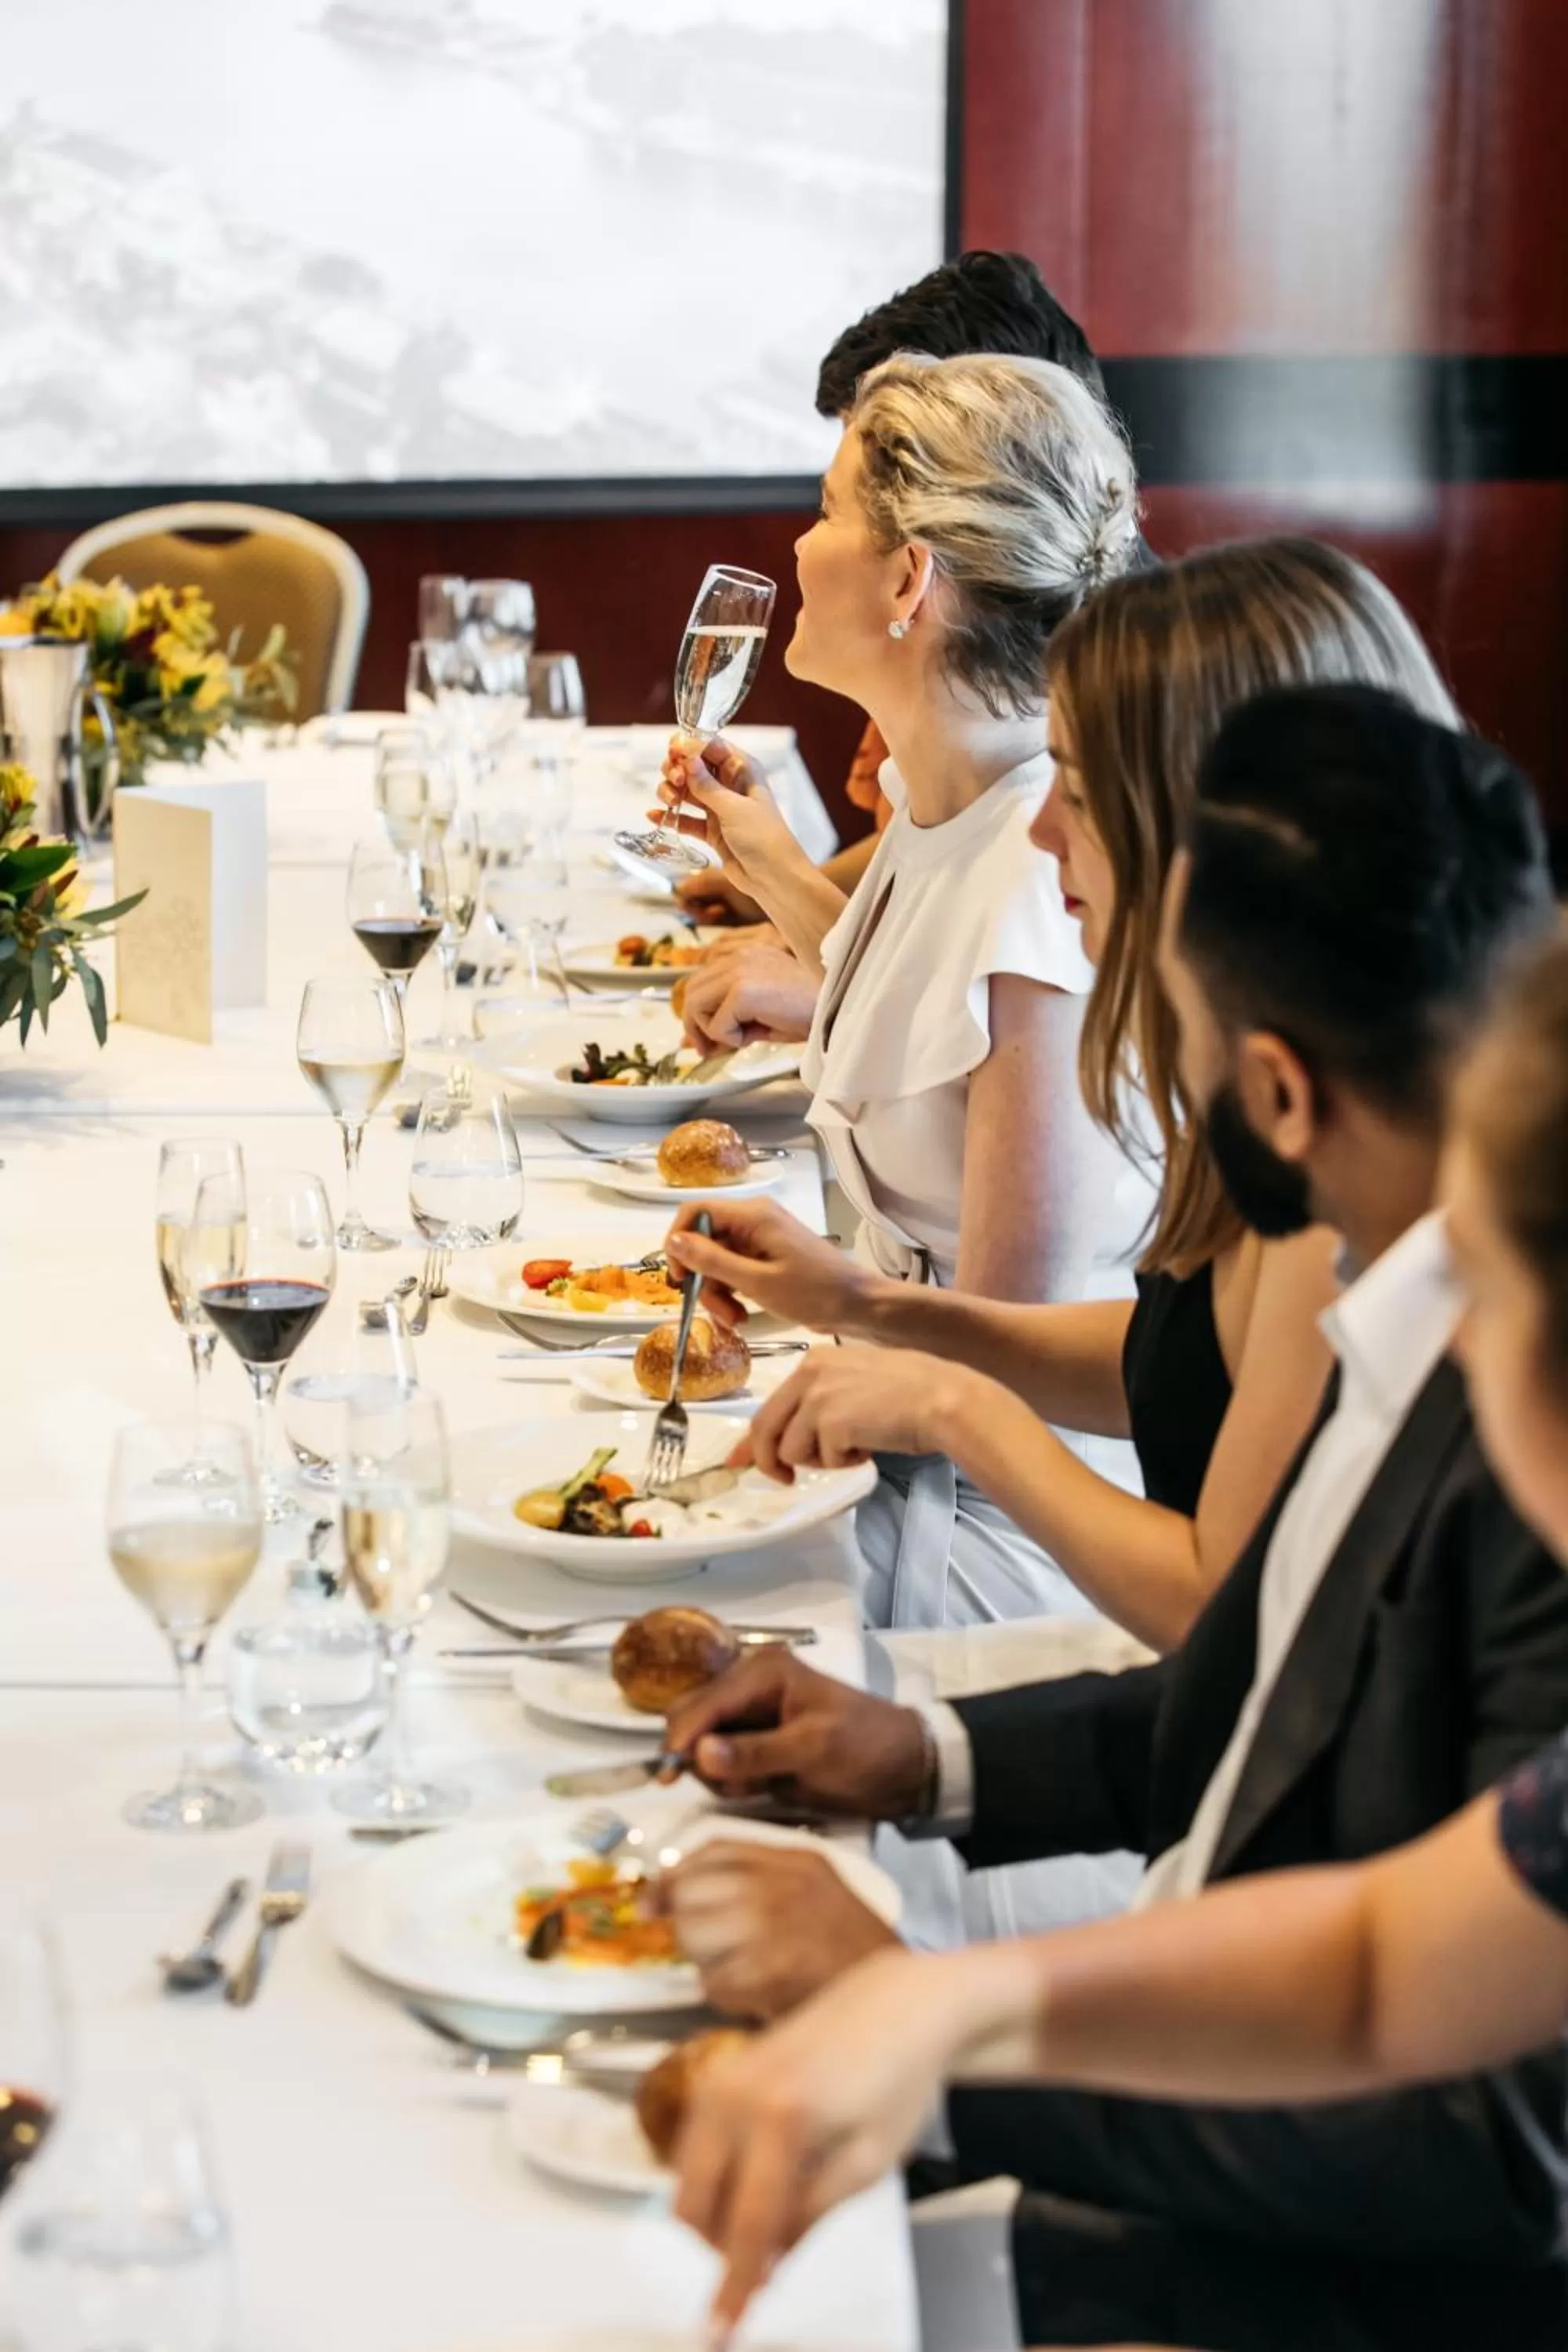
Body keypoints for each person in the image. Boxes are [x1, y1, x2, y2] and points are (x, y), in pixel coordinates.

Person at [661, 688, 1568, 2352]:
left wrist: (941, 2064)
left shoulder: (1493, 1378)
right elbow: (1299, 1748)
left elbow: (1494, 2156)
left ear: (1277, 1094)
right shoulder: (1413, 1289)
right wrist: (919, 1758)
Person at [670, 539, 1468, 1658]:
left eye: (1078, 794)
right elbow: (1176, 1364)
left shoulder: (1349, 1154)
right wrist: (867, 1301)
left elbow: (1223, 1615)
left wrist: (949, 1401)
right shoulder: (1266, 1058)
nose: (1041, 833)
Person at [663, 349, 1156, 1636]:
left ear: (907, 579)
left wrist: (837, 1317)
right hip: (892, 1445)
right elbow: (915, 1032)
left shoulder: (1037, 882)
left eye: (828, 512)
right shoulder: (947, 807)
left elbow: (1000, 1363)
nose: (798, 540)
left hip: (994, 1546)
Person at [674, 249, 1118, 935]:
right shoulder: (947, 774)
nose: (799, 543)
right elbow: (902, 975)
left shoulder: (1042, 843)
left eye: (829, 509)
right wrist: (775, 875)